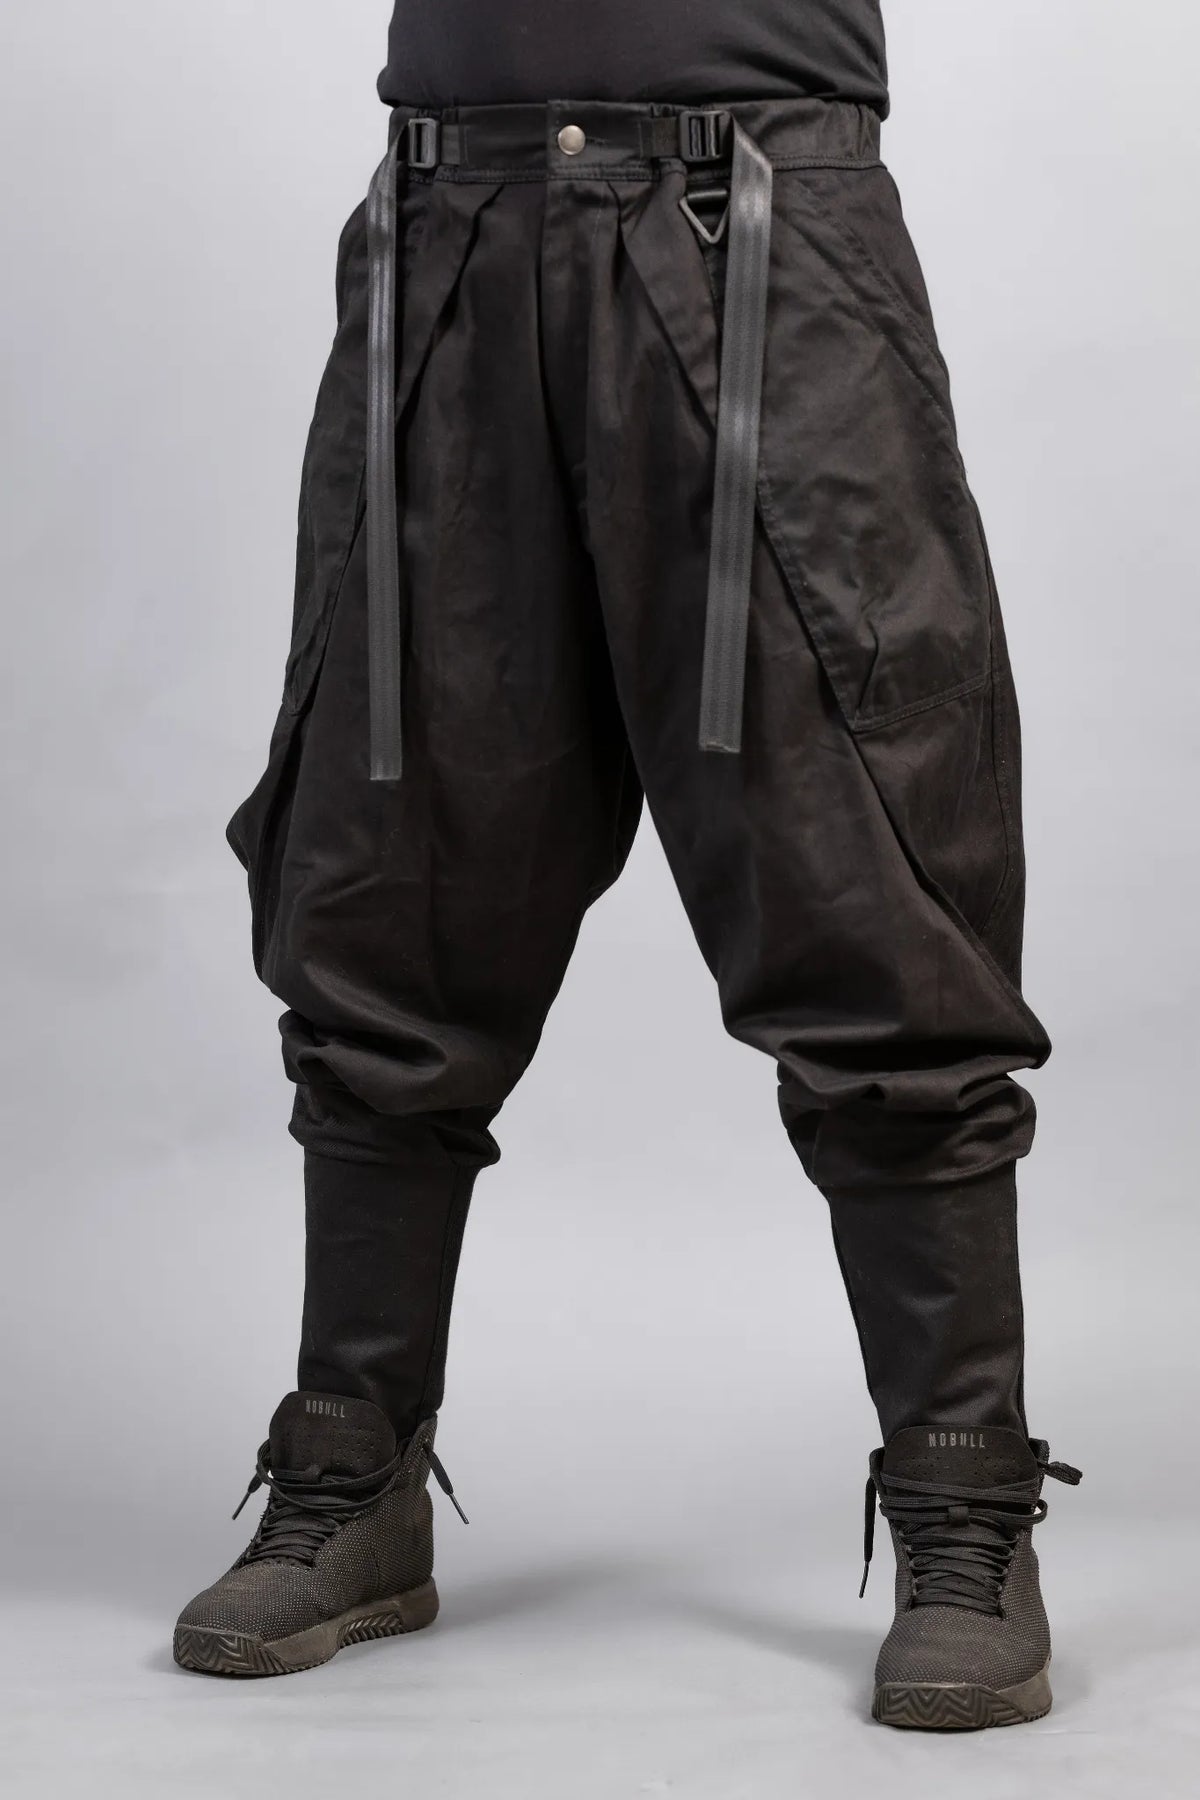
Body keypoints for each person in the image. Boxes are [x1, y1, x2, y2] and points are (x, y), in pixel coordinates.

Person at [174, 2, 1080, 1727]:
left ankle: (965, 1497)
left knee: (868, 868)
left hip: (763, 226)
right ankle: (354, 1468)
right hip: (451, 229)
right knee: (387, 862)